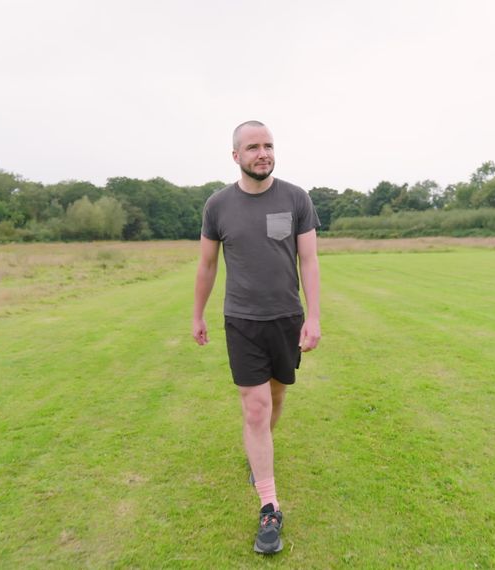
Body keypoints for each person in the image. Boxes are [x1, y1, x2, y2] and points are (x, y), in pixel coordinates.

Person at [192, 120, 321, 554]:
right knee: (255, 407)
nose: (262, 153)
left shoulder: (296, 198)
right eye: (253, 147)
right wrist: (198, 315)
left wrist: (314, 317)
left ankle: (260, 456)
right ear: (236, 156)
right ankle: (269, 506)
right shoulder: (217, 206)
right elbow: (207, 265)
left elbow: (309, 262)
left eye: (268, 145)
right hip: (242, 321)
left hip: (286, 317)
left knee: (277, 397)